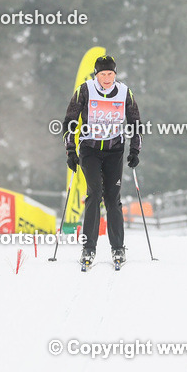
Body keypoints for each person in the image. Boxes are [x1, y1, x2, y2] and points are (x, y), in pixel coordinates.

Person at [62, 55, 142, 268]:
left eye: (110, 74)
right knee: (95, 193)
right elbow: (70, 121)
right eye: (103, 74)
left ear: (115, 74)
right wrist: (71, 150)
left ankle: (118, 247)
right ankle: (89, 247)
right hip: (90, 149)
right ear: (96, 75)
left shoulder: (125, 93)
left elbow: (135, 122)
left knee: (112, 198)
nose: (106, 78)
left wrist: (135, 150)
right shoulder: (85, 90)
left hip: (114, 150)